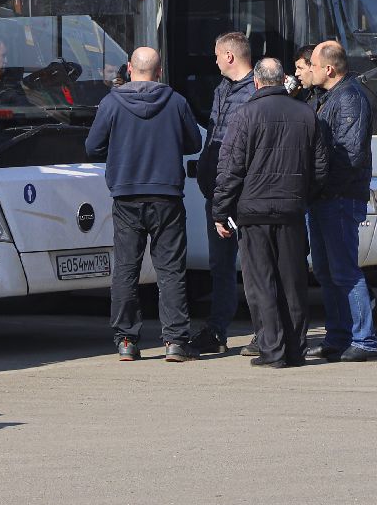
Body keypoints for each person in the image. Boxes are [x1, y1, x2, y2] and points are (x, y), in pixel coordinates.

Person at [84, 46, 202, 362]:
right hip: (167, 197)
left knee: (126, 268)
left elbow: (92, 146)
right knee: (171, 270)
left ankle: (126, 340)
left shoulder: (111, 103)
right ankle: (175, 341)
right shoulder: (176, 102)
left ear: (129, 68)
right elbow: (195, 143)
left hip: (126, 196)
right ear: (160, 71)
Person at [210, 58, 327, 368]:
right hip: (291, 211)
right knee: (293, 281)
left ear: (257, 83)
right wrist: (302, 197)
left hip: (253, 212)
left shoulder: (244, 114)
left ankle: (271, 350)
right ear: (283, 79)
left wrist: (220, 211)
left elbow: (230, 169)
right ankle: (295, 350)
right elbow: (320, 168)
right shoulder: (307, 114)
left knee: (261, 283)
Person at [309, 40, 377, 362]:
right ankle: (337, 336)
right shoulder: (328, 98)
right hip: (326, 198)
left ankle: (363, 339)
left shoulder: (350, 98)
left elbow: (349, 155)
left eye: (311, 65)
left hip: (339, 199)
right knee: (326, 272)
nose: (307, 70)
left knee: (345, 271)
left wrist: (322, 187)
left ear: (329, 69)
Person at [192, 31, 256, 355]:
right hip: (217, 195)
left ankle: (264, 330)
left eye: (217, 55)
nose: (214, 60)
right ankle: (217, 331)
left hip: (244, 195)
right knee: (221, 266)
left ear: (229, 56)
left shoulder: (256, 91)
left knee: (255, 265)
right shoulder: (222, 89)